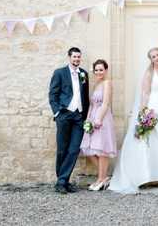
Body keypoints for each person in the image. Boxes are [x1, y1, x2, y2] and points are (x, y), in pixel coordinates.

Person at [109, 47, 158, 194]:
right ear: (150, 59)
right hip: (153, 108)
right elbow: (145, 93)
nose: (157, 58)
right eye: (153, 56)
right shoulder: (149, 73)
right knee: (149, 141)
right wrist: (143, 112)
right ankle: (146, 175)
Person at [48, 47, 89, 194]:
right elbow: (53, 94)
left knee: (74, 149)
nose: (77, 59)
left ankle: (62, 181)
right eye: (74, 57)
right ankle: (63, 181)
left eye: (79, 57)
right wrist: (58, 112)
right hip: (64, 115)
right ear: (69, 57)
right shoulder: (59, 73)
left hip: (78, 117)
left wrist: (85, 116)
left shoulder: (84, 74)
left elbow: (85, 96)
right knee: (62, 149)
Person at [79, 59, 117, 191]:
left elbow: (105, 103)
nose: (99, 72)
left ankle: (100, 179)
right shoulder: (96, 84)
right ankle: (104, 177)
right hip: (93, 117)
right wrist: (88, 119)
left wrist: (98, 119)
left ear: (106, 70)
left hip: (103, 119)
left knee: (102, 150)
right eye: (96, 70)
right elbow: (92, 104)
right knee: (89, 149)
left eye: (101, 69)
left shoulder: (107, 83)